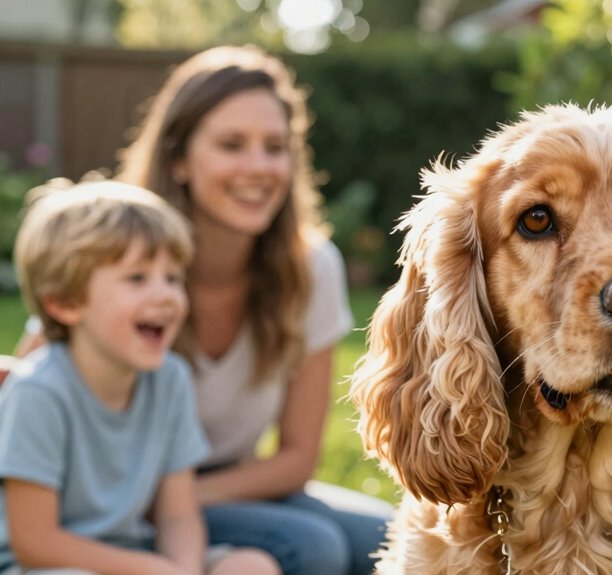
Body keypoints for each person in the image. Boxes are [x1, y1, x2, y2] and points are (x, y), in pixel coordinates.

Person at [11, 46, 393, 574]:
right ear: (179, 158)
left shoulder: (311, 267)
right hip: (113, 497)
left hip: (217, 486)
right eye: (232, 145)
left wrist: (173, 503)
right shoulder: (115, 254)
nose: (258, 167)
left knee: (389, 536)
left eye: (275, 147)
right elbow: (36, 371)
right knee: (313, 547)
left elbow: (296, 458)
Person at [0, 179, 279, 574]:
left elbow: (177, 516)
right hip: (54, 567)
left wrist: (183, 570)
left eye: (173, 278)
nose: (166, 295)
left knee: (251, 566)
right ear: (65, 302)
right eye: (137, 278)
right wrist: (150, 569)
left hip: (138, 554)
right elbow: (35, 543)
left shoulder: (170, 380)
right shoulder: (38, 392)